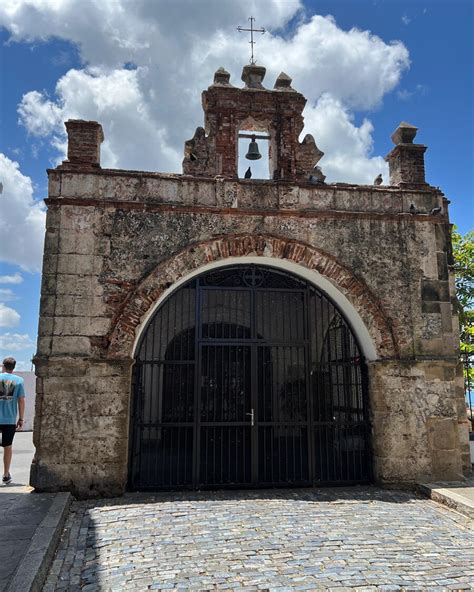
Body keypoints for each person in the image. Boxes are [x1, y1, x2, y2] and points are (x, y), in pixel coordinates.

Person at [0, 357, 25, 484]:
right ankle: (5, 474)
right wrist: (21, 418)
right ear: (14, 367)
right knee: (8, 446)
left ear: (3, 365)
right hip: (9, 419)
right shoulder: (19, 381)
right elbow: (21, 400)